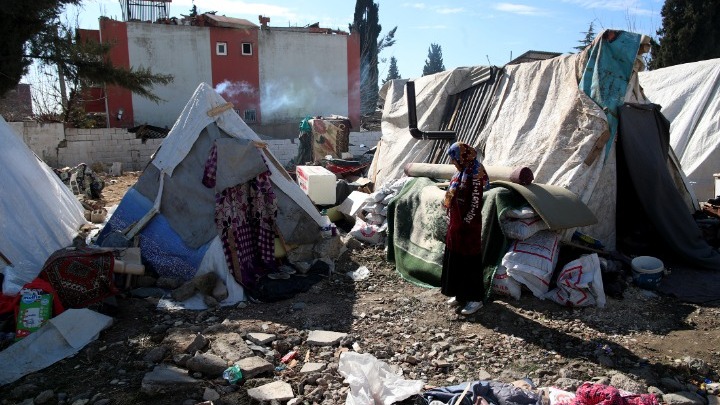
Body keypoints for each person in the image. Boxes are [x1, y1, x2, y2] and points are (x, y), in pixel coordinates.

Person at [441, 142, 488, 315]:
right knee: (456, 258)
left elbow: (475, 203)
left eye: (455, 159)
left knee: (469, 261)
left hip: (468, 227)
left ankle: (475, 299)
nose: (453, 162)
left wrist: (466, 222)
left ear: (463, 156)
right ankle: (460, 295)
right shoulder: (460, 172)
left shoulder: (475, 173)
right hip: (456, 225)